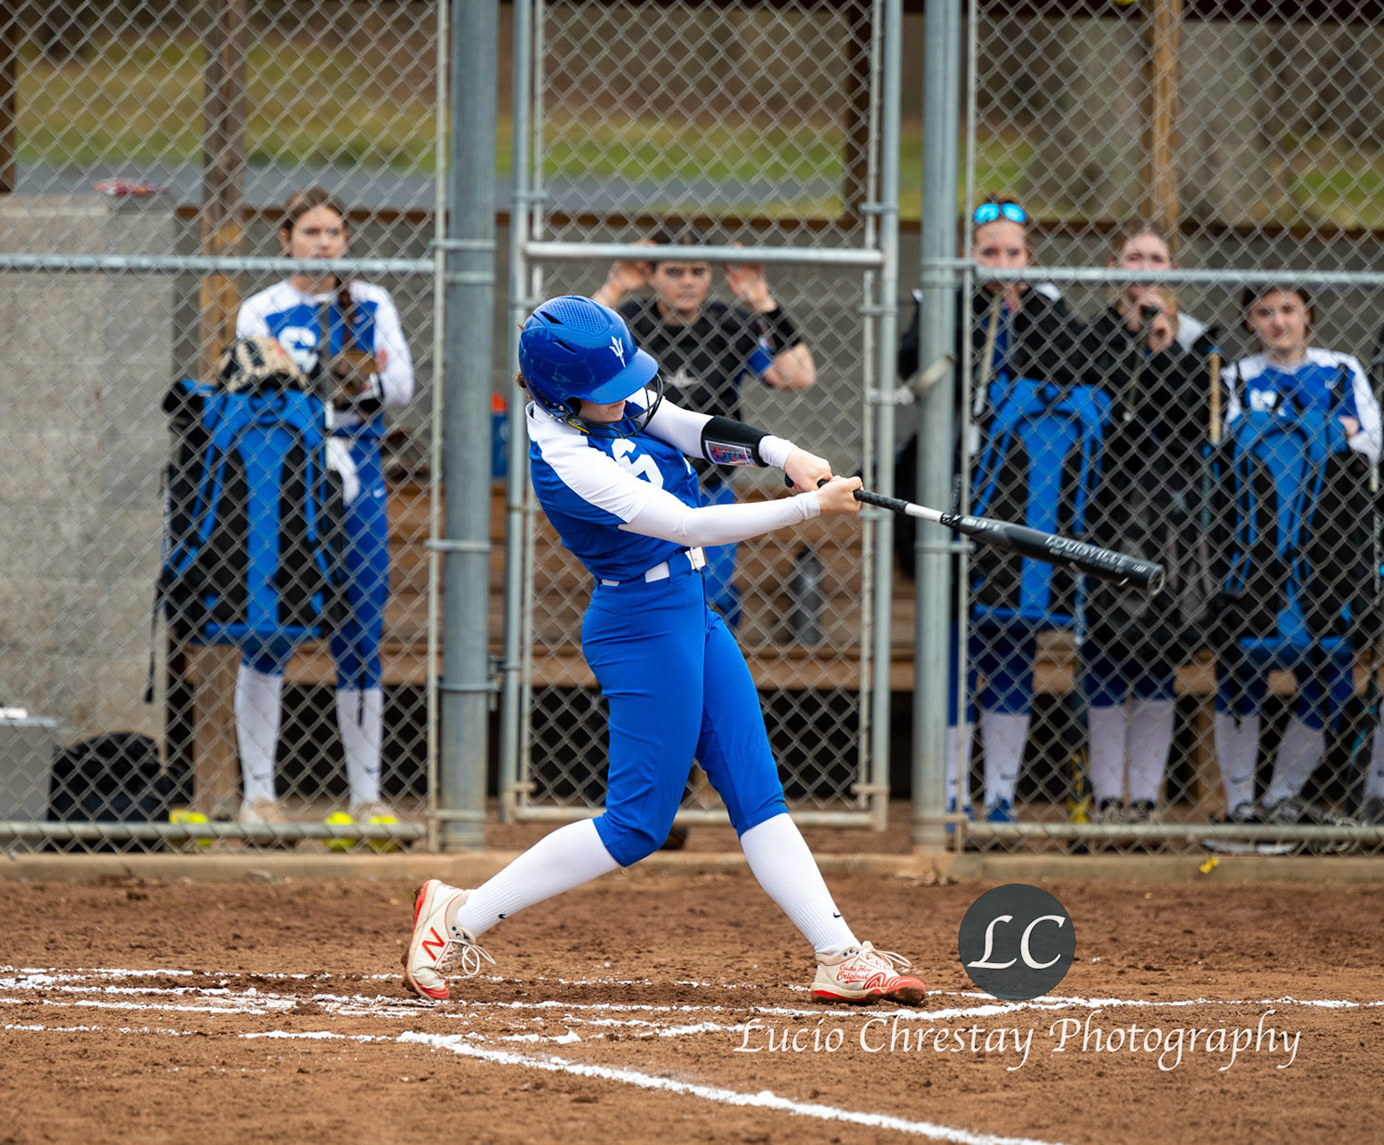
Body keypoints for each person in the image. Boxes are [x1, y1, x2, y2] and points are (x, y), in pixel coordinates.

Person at [403, 295, 924, 1007]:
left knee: (757, 794)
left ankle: (840, 956)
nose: (626, 399)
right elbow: (688, 524)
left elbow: (688, 426)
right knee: (636, 825)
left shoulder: (601, 399)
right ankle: (457, 917)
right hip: (640, 627)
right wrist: (810, 507)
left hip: (689, 610)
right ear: (562, 397)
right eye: (608, 391)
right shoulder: (563, 458)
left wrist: (784, 454)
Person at [901, 197, 1104, 829]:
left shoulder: (1046, 307)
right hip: (951, 488)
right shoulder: (944, 298)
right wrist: (975, 313)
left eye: (1013, 253)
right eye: (990, 252)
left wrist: (1023, 313)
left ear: (1028, 257)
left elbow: (1068, 375)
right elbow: (914, 365)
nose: (1002, 264)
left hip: (1023, 495)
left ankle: (1000, 796)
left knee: (1013, 644)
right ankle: (949, 793)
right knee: (955, 647)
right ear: (970, 254)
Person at [228, 188, 414, 837]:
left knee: (360, 630)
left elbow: (401, 385)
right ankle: (259, 795)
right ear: (286, 239)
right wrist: (324, 382)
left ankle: (366, 796)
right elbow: (253, 385)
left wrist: (356, 381)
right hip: (285, 479)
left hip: (357, 470)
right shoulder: (262, 308)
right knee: (269, 629)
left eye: (334, 232)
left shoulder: (371, 302)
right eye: (310, 231)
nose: (324, 243)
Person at [591, 225, 816, 625]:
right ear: (651, 275)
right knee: (643, 596)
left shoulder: (730, 324)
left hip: (709, 482)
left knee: (706, 596)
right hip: (640, 484)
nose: (688, 282)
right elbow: (576, 361)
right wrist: (616, 286)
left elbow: (798, 375)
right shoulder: (630, 323)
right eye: (674, 272)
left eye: (698, 271)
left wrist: (761, 300)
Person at [1213, 286, 1380, 825]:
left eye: (1289, 309)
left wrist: (1275, 432)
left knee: (1331, 673)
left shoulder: (1342, 370)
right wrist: (1327, 429)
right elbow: (1223, 446)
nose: (1278, 322)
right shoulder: (1236, 376)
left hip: (1326, 547)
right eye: (1264, 312)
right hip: (1257, 545)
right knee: (1241, 670)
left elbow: (1370, 443)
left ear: (1308, 314)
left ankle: (1281, 796)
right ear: (1249, 321)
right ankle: (1240, 804)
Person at [1079, 224, 1210, 823]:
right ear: (1115, 268)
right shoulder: (1093, 338)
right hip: (1106, 512)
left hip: (1170, 522)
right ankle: (1109, 798)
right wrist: (1133, 346)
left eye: (1156, 258)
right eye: (1134, 257)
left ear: (1172, 272)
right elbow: (1112, 418)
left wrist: (1165, 348)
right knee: (1106, 652)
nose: (1145, 267)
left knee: (1158, 652)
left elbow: (1194, 424)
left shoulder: (1196, 342)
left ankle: (1148, 799)